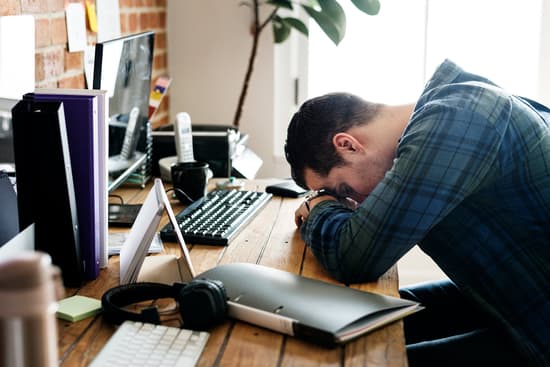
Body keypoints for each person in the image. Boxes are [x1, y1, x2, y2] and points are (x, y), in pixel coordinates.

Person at [284, 59, 550, 366]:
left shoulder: (456, 120)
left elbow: (354, 258)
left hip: (538, 331)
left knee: (363, 361)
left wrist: (319, 208)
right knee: (358, 314)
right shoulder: (453, 107)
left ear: (348, 145)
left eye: (343, 190)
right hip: (510, 295)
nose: (353, 202)